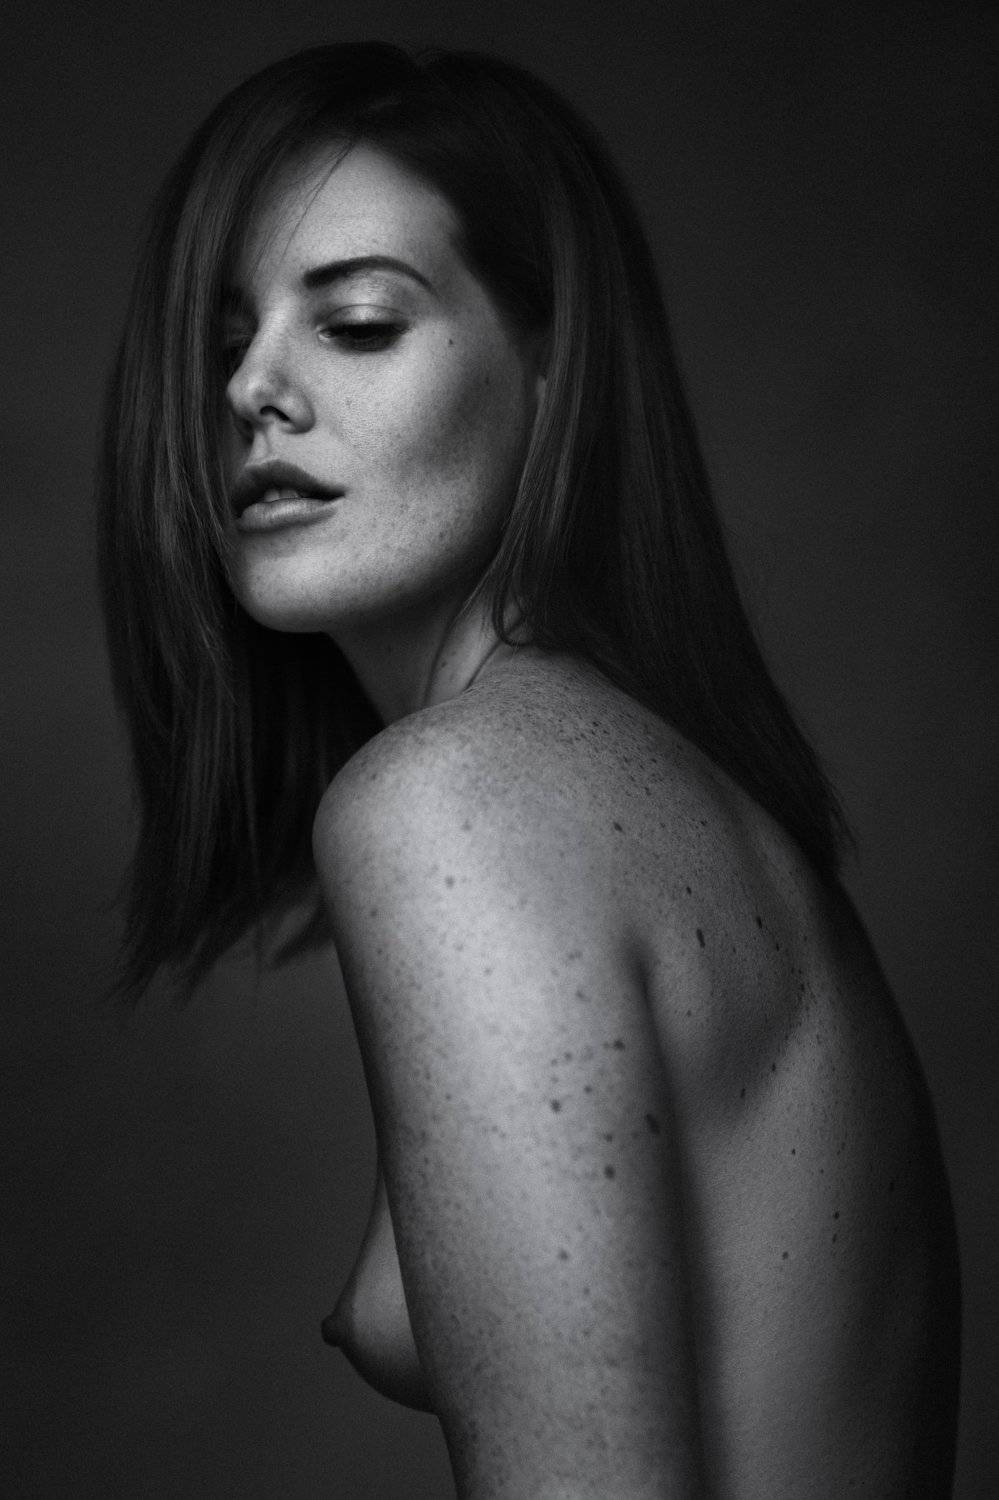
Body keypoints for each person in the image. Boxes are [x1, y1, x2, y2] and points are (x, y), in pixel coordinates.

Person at [96, 42, 960, 1498]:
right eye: (224, 339)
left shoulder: (457, 803)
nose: (251, 387)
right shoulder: (669, 801)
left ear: (555, 378)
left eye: (357, 324)